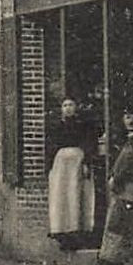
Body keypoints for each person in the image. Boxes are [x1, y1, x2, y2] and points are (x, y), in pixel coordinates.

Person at [75, 109, 133, 265]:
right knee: (114, 226)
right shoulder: (127, 141)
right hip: (124, 188)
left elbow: (132, 164)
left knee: (122, 227)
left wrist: (116, 178)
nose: (131, 121)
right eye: (127, 117)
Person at [47, 98, 91, 250]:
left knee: (75, 194)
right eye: (65, 105)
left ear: (76, 107)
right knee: (61, 195)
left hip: (77, 162)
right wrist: (51, 167)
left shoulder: (82, 126)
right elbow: (51, 146)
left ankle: (76, 230)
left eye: (71, 105)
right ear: (61, 109)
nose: (68, 108)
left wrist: (86, 163)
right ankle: (62, 232)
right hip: (61, 164)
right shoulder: (56, 126)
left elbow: (87, 143)